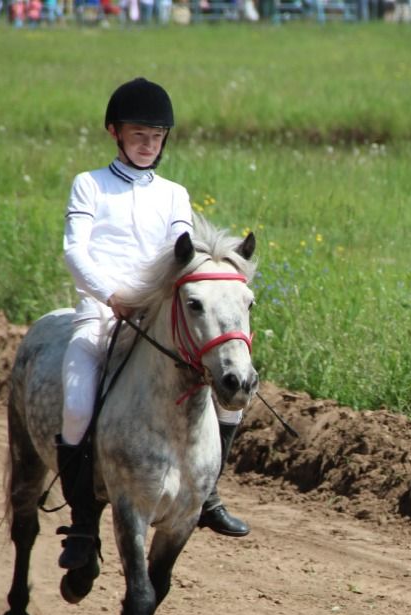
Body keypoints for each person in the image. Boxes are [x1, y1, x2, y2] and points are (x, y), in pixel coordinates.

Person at [57, 79, 250, 574]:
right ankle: (81, 524)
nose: (148, 143)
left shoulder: (174, 194)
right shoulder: (90, 184)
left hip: (157, 314)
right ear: (115, 133)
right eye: (139, 134)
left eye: (156, 136)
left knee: (232, 385)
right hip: (103, 309)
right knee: (78, 402)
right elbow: (74, 250)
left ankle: (206, 495)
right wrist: (111, 296)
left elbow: (180, 257)